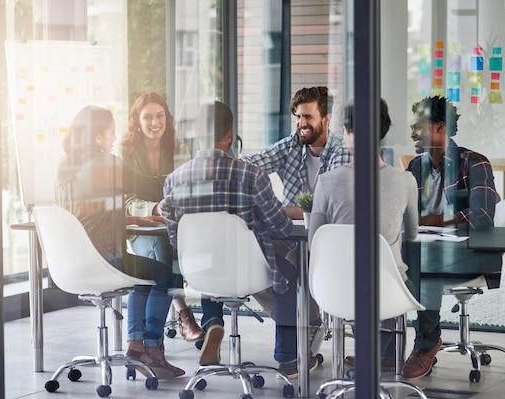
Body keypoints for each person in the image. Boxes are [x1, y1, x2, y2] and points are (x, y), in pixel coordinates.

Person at [160, 101, 318, 378]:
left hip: (200, 272)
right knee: (289, 274)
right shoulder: (250, 175)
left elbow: (175, 238)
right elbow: (281, 228)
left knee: (230, 268)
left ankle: (213, 324)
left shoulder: (175, 179)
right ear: (230, 134)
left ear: (197, 134)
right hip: (248, 271)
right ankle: (288, 359)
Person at [54, 105, 185, 379]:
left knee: (144, 273)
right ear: (98, 137)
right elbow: (149, 186)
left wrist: (126, 219)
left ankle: (137, 347)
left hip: (73, 263)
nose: (114, 140)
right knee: (167, 273)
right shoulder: (106, 163)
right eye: (111, 133)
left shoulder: (64, 169)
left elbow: (85, 216)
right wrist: (187, 176)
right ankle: (150, 349)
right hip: (105, 259)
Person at [308, 98, 419, 370]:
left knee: (358, 282)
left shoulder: (326, 182)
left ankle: (370, 358)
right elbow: (413, 233)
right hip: (388, 291)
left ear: (348, 132)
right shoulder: (405, 180)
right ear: (382, 133)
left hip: (337, 290)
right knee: (398, 275)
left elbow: (315, 242)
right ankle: (382, 357)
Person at [240, 86, 353, 350]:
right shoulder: (293, 144)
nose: (301, 124)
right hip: (291, 237)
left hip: (328, 244)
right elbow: (253, 163)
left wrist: (277, 209)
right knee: (252, 259)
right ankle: (306, 323)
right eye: (298, 117)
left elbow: (326, 207)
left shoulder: (341, 151)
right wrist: (228, 165)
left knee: (291, 267)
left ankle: (297, 336)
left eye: (308, 117)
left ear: (326, 120)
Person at [402, 95, 498, 379]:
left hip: (467, 254)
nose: (412, 134)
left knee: (424, 255)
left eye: (418, 126)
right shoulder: (415, 168)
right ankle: (384, 346)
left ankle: (427, 343)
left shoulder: (475, 163)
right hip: (423, 251)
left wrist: (430, 221)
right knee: (387, 254)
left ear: (440, 128)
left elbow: (482, 217)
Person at [118, 92, 204, 343]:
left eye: (160, 116)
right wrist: (155, 207)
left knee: (174, 249)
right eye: (147, 117)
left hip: (176, 224)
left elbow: (187, 188)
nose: (155, 122)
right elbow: (124, 199)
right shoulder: (125, 151)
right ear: (137, 120)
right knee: (164, 252)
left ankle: (144, 341)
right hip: (140, 228)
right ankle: (180, 317)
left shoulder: (179, 148)